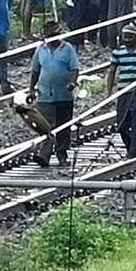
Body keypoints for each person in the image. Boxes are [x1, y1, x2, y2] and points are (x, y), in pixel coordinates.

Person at [32, 24, 81, 167]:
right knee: (45, 126)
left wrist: (72, 82)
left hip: (63, 96)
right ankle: (44, 155)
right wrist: (31, 89)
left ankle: (62, 154)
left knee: (63, 127)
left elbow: (74, 68)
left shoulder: (68, 49)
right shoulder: (40, 50)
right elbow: (35, 71)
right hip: (45, 95)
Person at [112, 24, 136, 159]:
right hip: (123, 91)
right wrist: (110, 91)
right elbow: (112, 71)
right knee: (121, 123)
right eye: (125, 36)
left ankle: (133, 151)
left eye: (130, 36)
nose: (127, 39)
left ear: (135, 37)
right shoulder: (117, 52)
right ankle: (130, 147)